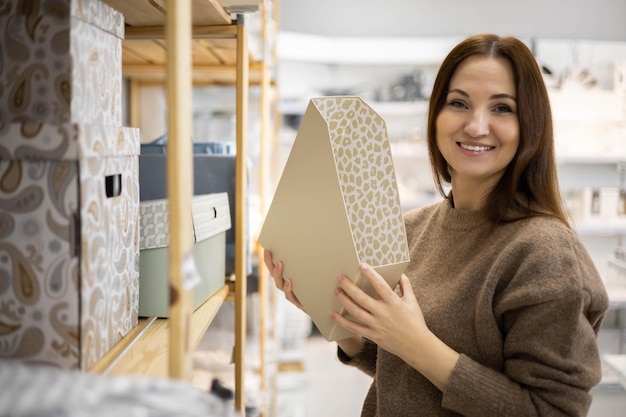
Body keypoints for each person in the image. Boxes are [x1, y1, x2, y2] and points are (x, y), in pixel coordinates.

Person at [263, 33, 609, 416]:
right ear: (436, 116)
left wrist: (416, 343)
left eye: (502, 109)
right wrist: (334, 313)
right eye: (459, 103)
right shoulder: (413, 228)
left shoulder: (545, 253)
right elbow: (397, 370)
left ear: (530, 125)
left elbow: (551, 411)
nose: (476, 126)